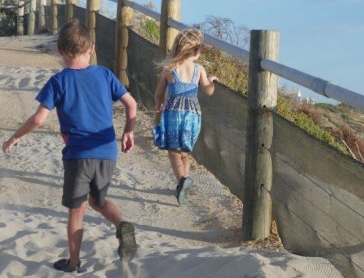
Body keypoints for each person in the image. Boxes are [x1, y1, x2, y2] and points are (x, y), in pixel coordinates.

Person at [2, 19, 138, 273]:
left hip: (79, 155)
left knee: (77, 210)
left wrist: (15, 137)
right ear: (92, 48)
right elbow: (131, 104)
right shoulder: (105, 74)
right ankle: (122, 225)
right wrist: (129, 131)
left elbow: (39, 119)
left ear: (59, 51)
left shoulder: (58, 82)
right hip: (108, 151)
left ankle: (74, 262)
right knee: (99, 201)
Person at [153, 28, 217, 205]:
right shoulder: (199, 69)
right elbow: (209, 91)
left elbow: (158, 92)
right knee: (184, 154)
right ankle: (184, 182)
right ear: (196, 51)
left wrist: (158, 104)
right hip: (192, 115)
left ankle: (182, 182)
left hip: (173, 113)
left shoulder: (170, 69)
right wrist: (212, 81)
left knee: (173, 152)